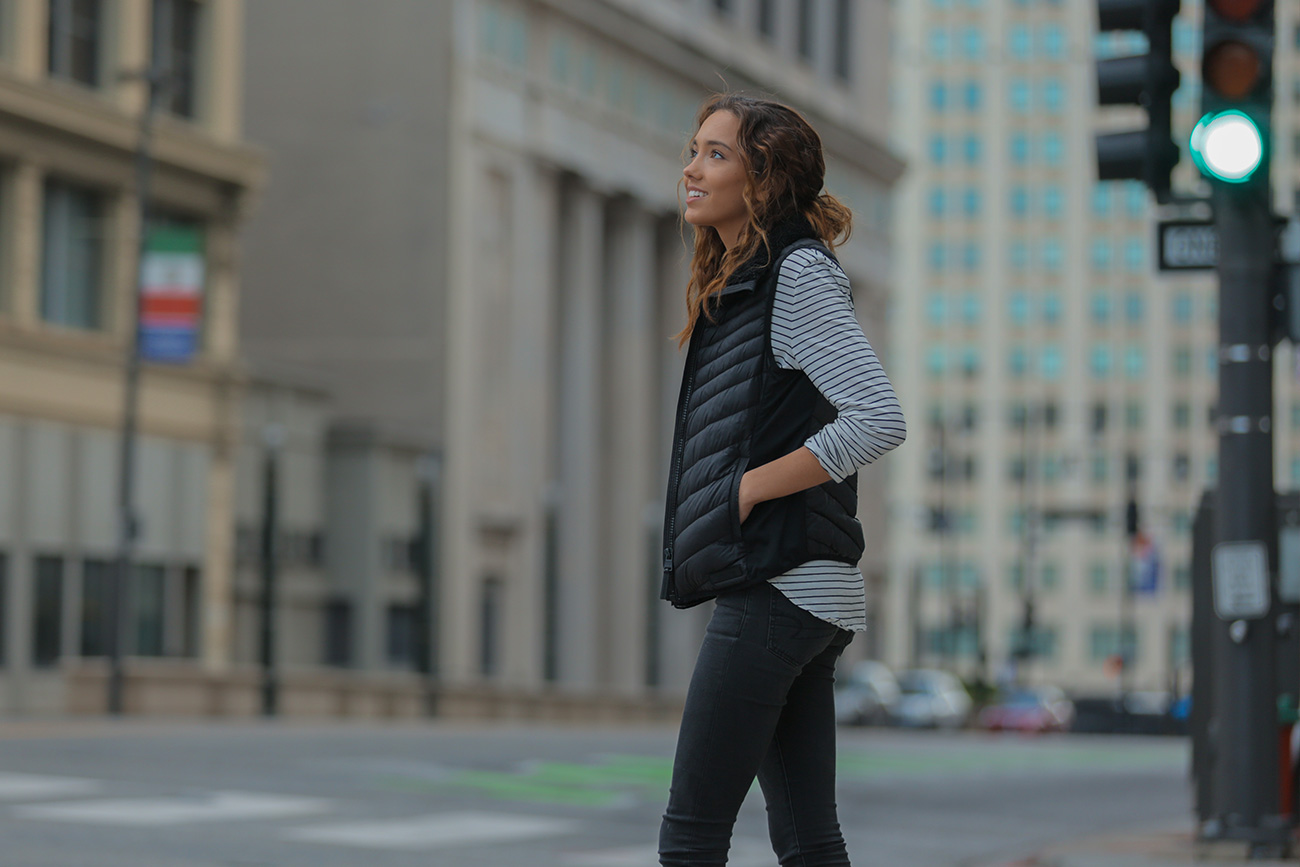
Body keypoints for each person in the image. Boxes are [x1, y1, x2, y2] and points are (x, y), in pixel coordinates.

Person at [658, 93, 907, 866]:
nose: (692, 169)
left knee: (691, 836)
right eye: (695, 150)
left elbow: (878, 417)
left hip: (778, 583)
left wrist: (747, 488)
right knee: (806, 838)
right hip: (797, 589)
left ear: (762, 178)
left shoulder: (795, 275)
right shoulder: (748, 278)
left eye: (716, 154)